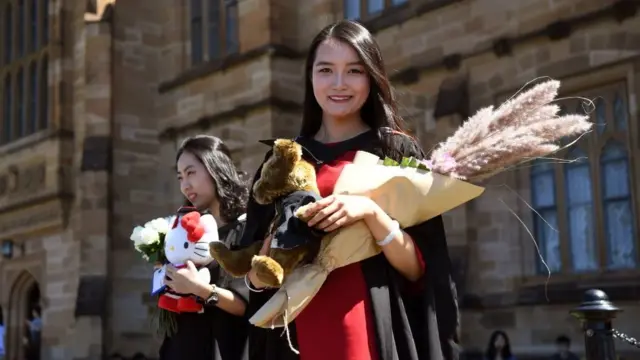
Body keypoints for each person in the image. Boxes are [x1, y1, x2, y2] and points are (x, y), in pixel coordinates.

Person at [241, 20, 460, 360]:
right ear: (310, 77)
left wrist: (370, 213)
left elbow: (421, 271)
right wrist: (260, 271)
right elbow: (254, 276)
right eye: (326, 70)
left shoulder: (395, 152)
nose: (339, 84)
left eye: (354, 71)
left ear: (371, 76)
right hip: (293, 331)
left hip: (366, 319)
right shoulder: (283, 158)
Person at [159, 135, 250, 360]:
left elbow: (247, 305)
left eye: (191, 173)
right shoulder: (184, 232)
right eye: (180, 177)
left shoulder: (246, 229)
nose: (185, 185)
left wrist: (200, 289)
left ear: (215, 169)